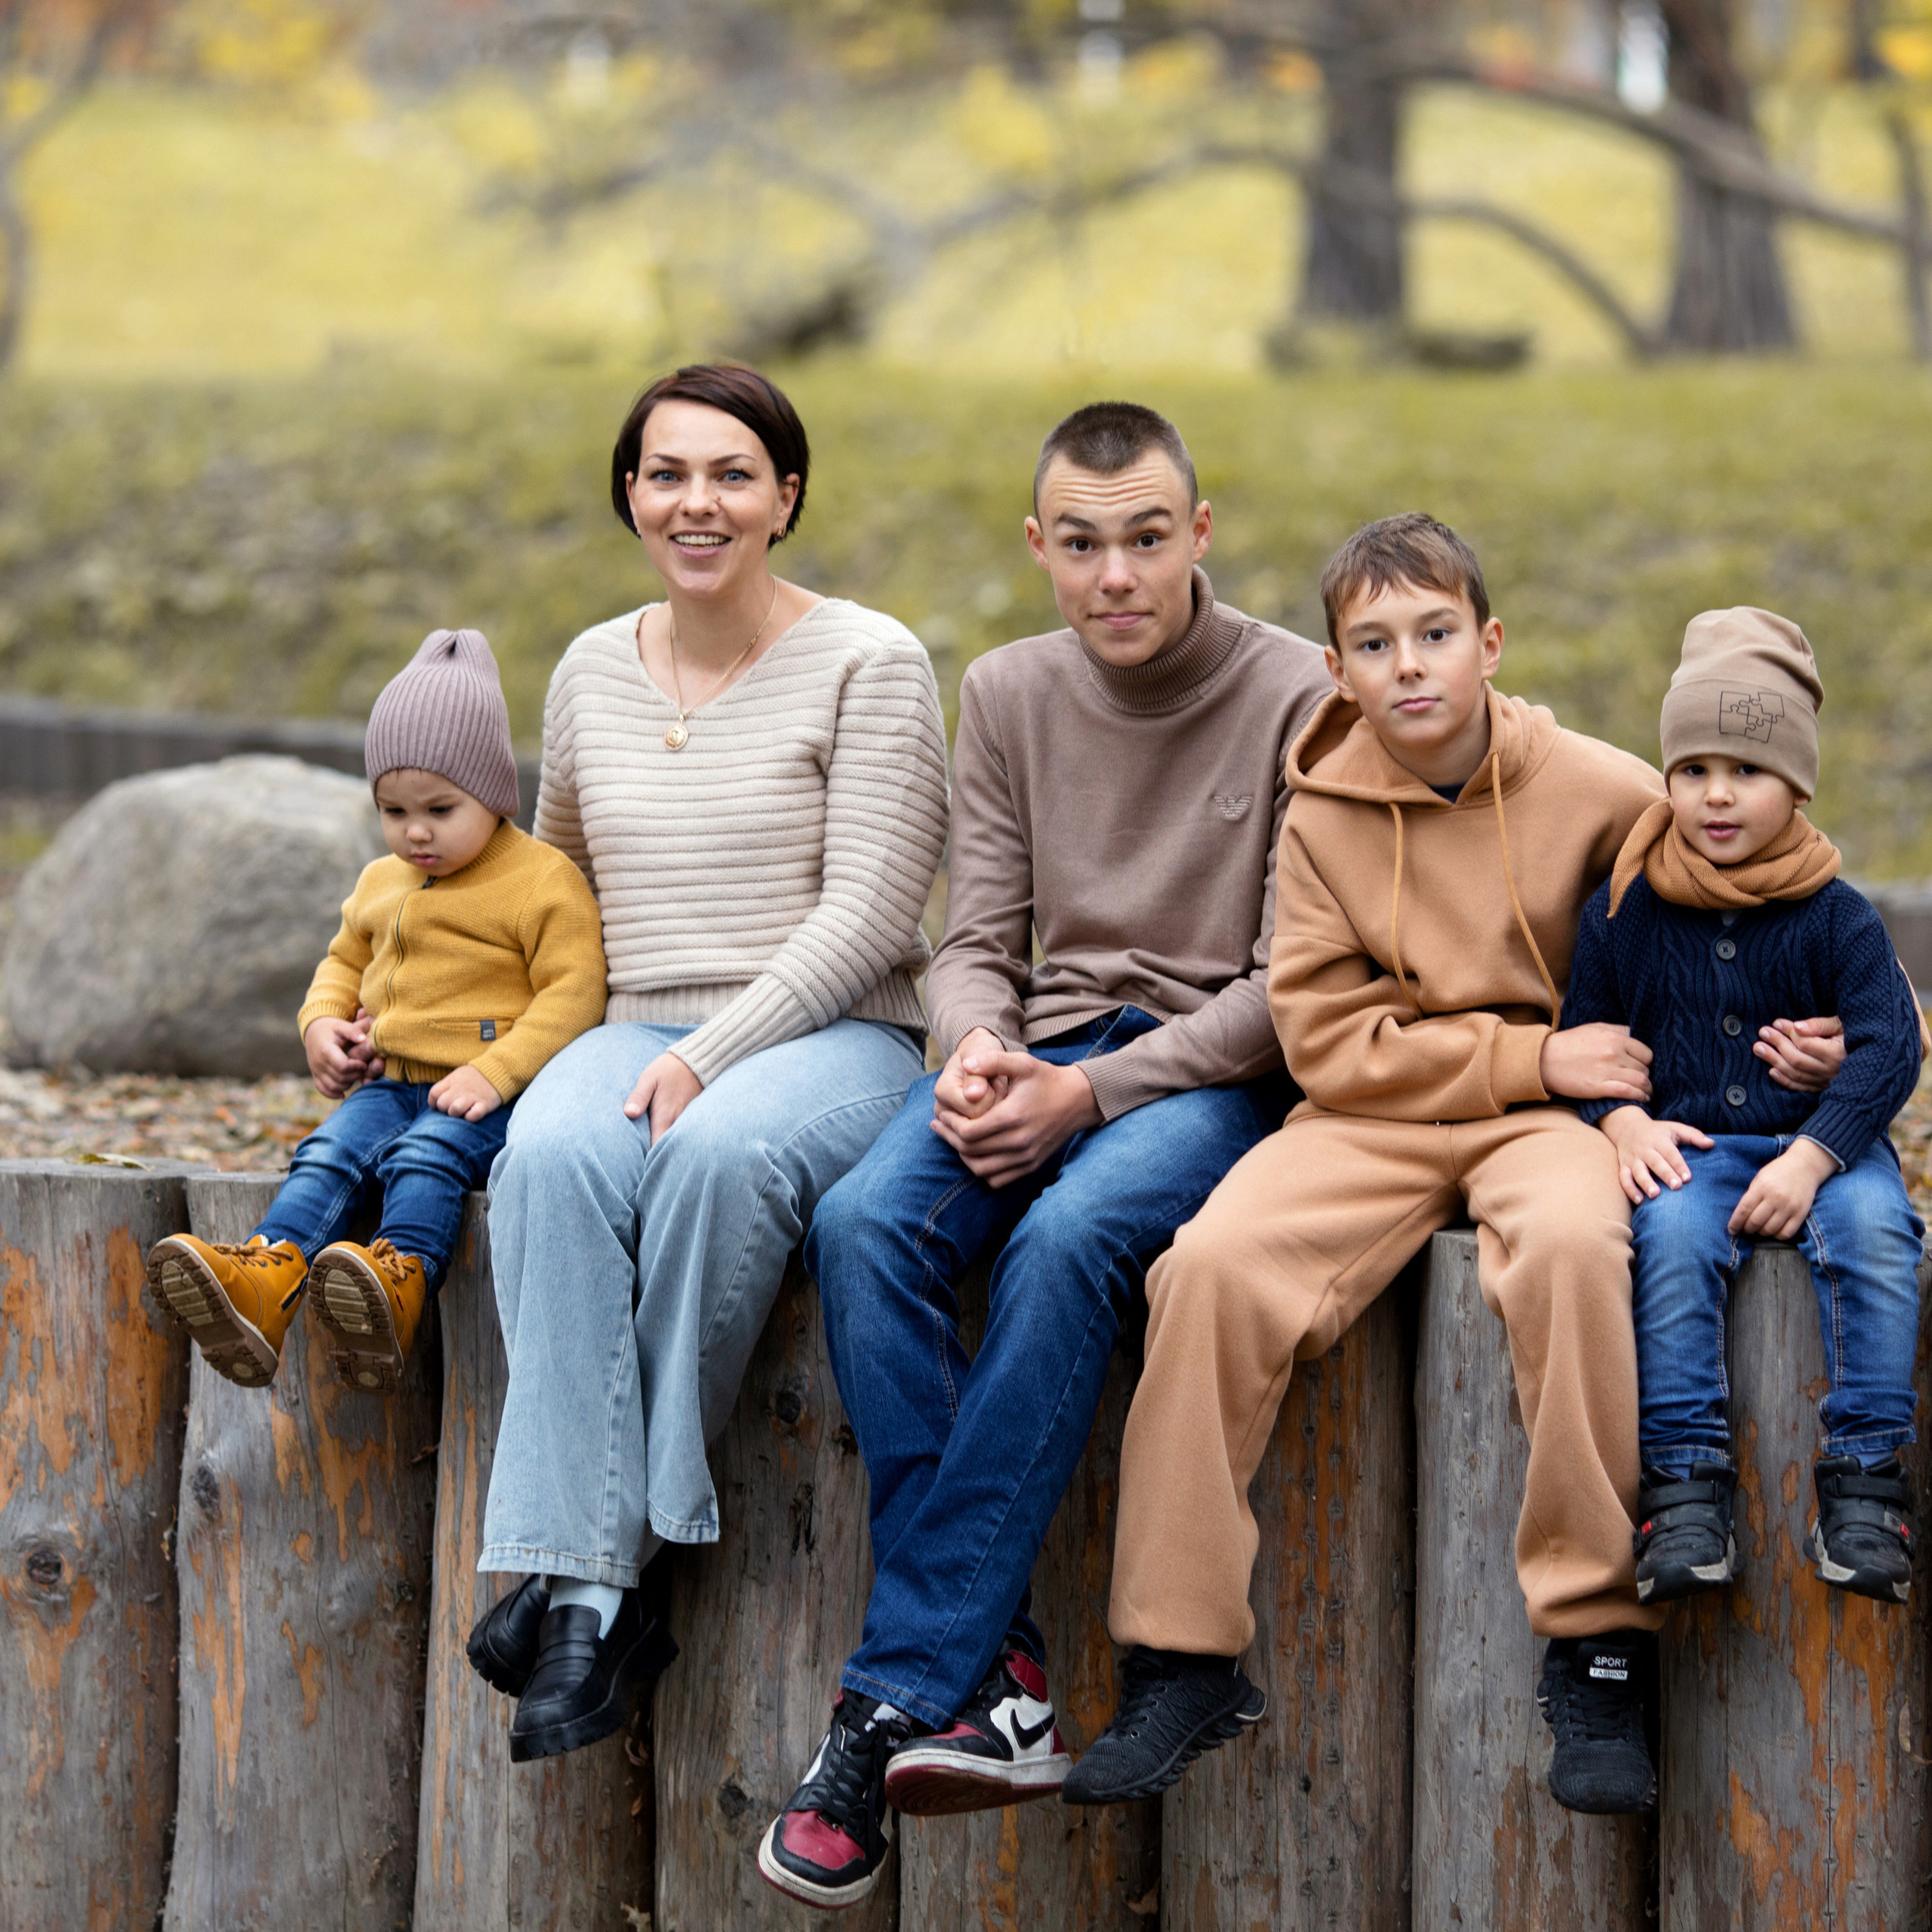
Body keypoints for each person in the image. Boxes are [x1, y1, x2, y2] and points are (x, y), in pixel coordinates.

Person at [1071, 514, 1848, 1821]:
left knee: (1572, 1249)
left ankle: (1596, 1638)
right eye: (1374, 645)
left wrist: (1838, 1033)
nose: (1410, 667)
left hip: (1554, 1124)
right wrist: (1526, 1059)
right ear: (1336, 671)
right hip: (1376, 1116)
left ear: (1489, 644)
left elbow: (1739, 913)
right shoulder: (1320, 815)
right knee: (1208, 1266)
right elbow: (1322, 1040)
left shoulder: (1602, 791)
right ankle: (1179, 1652)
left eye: (1436, 635)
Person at [758, 401, 1332, 1912]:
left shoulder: (1295, 692)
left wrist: (1083, 1105)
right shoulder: (1007, 690)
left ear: (1198, 532)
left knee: (1069, 1242)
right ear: (1038, 549)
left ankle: (887, 1697)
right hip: (1038, 1051)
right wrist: (971, 1055)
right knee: (869, 1218)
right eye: (1078, 544)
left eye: (1146, 536)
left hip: (1204, 1073)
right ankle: (991, 1662)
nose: (1114, 573)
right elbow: (970, 936)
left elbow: (1288, 993)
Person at [467, 364, 949, 1767]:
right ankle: (604, 1592)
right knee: (550, 1154)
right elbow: (553, 892)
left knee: (717, 1155)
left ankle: (592, 1586)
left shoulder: (872, 661)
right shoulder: (585, 671)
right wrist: (462, 1044)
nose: (700, 502)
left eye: (733, 474)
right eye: (668, 473)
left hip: (835, 1033)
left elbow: (870, 914)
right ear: (631, 494)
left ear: (786, 497)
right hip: (631, 1022)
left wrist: (718, 1055)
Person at [1564, 608, 1924, 1610]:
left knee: (1879, 1235)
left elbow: (1892, 1047)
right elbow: (1584, 1038)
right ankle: (1685, 1486)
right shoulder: (1625, 909)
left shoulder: (1837, 913)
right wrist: (1622, 1124)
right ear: (1667, 777)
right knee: (1671, 1236)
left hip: (1830, 1150)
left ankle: (1865, 1478)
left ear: (1798, 783)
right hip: (1692, 1142)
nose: (1716, 795)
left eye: (1748, 771)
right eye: (1693, 770)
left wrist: (1814, 1156)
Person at [146, 626, 607, 1395]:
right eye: (392, 809)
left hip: (489, 1090)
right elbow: (342, 961)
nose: (414, 831)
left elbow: (575, 990)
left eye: (439, 808)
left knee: (425, 1156)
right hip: (388, 1081)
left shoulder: (540, 881)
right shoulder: (381, 879)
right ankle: (267, 1280)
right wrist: (321, 1023)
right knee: (328, 1153)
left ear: (493, 793)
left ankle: (396, 1284)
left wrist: (496, 1074)